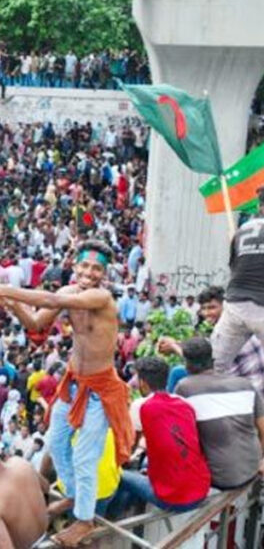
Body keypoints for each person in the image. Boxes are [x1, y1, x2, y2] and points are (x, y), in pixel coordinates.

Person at [0, 240, 134, 547]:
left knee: (86, 457)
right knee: (57, 443)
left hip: (100, 390)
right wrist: (10, 305)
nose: (89, 272)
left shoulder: (100, 297)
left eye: (96, 268)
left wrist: (5, 289)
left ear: (104, 274)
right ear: (75, 266)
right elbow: (36, 324)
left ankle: (84, 519)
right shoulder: (68, 294)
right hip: (73, 384)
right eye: (84, 266)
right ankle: (76, 496)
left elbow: (47, 297)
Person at [119, 356, 209, 512]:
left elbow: (130, 447)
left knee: (119, 475)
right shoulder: (184, 403)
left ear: (143, 383)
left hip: (176, 499)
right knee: (146, 462)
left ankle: (115, 515)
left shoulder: (140, 406)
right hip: (201, 487)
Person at [173, 338, 264, 490]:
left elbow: (180, 434)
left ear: (187, 365)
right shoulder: (244, 384)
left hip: (221, 478)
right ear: (212, 360)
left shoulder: (184, 387)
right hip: (253, 467)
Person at [210, 188, 264, 373]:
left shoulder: (242, 229)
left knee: (214, 367)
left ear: (259, 206)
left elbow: (235, 267)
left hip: (234, 307)